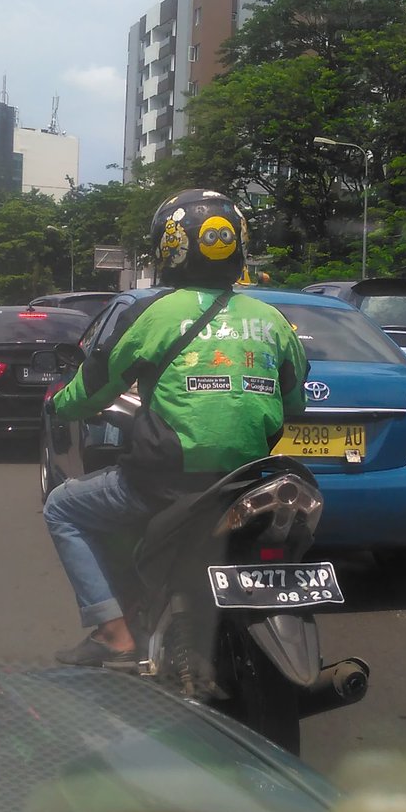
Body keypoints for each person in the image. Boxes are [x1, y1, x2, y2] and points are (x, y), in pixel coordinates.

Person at [44, 189, 310, 667]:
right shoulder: (272, 320)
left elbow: (93, 388)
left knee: (62, 507)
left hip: (165, 483)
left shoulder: (152, 313)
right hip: (247, 483)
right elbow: (295, 402)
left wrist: (58, 406)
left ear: (170, 248)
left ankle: (113, 633)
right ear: (239, 246)